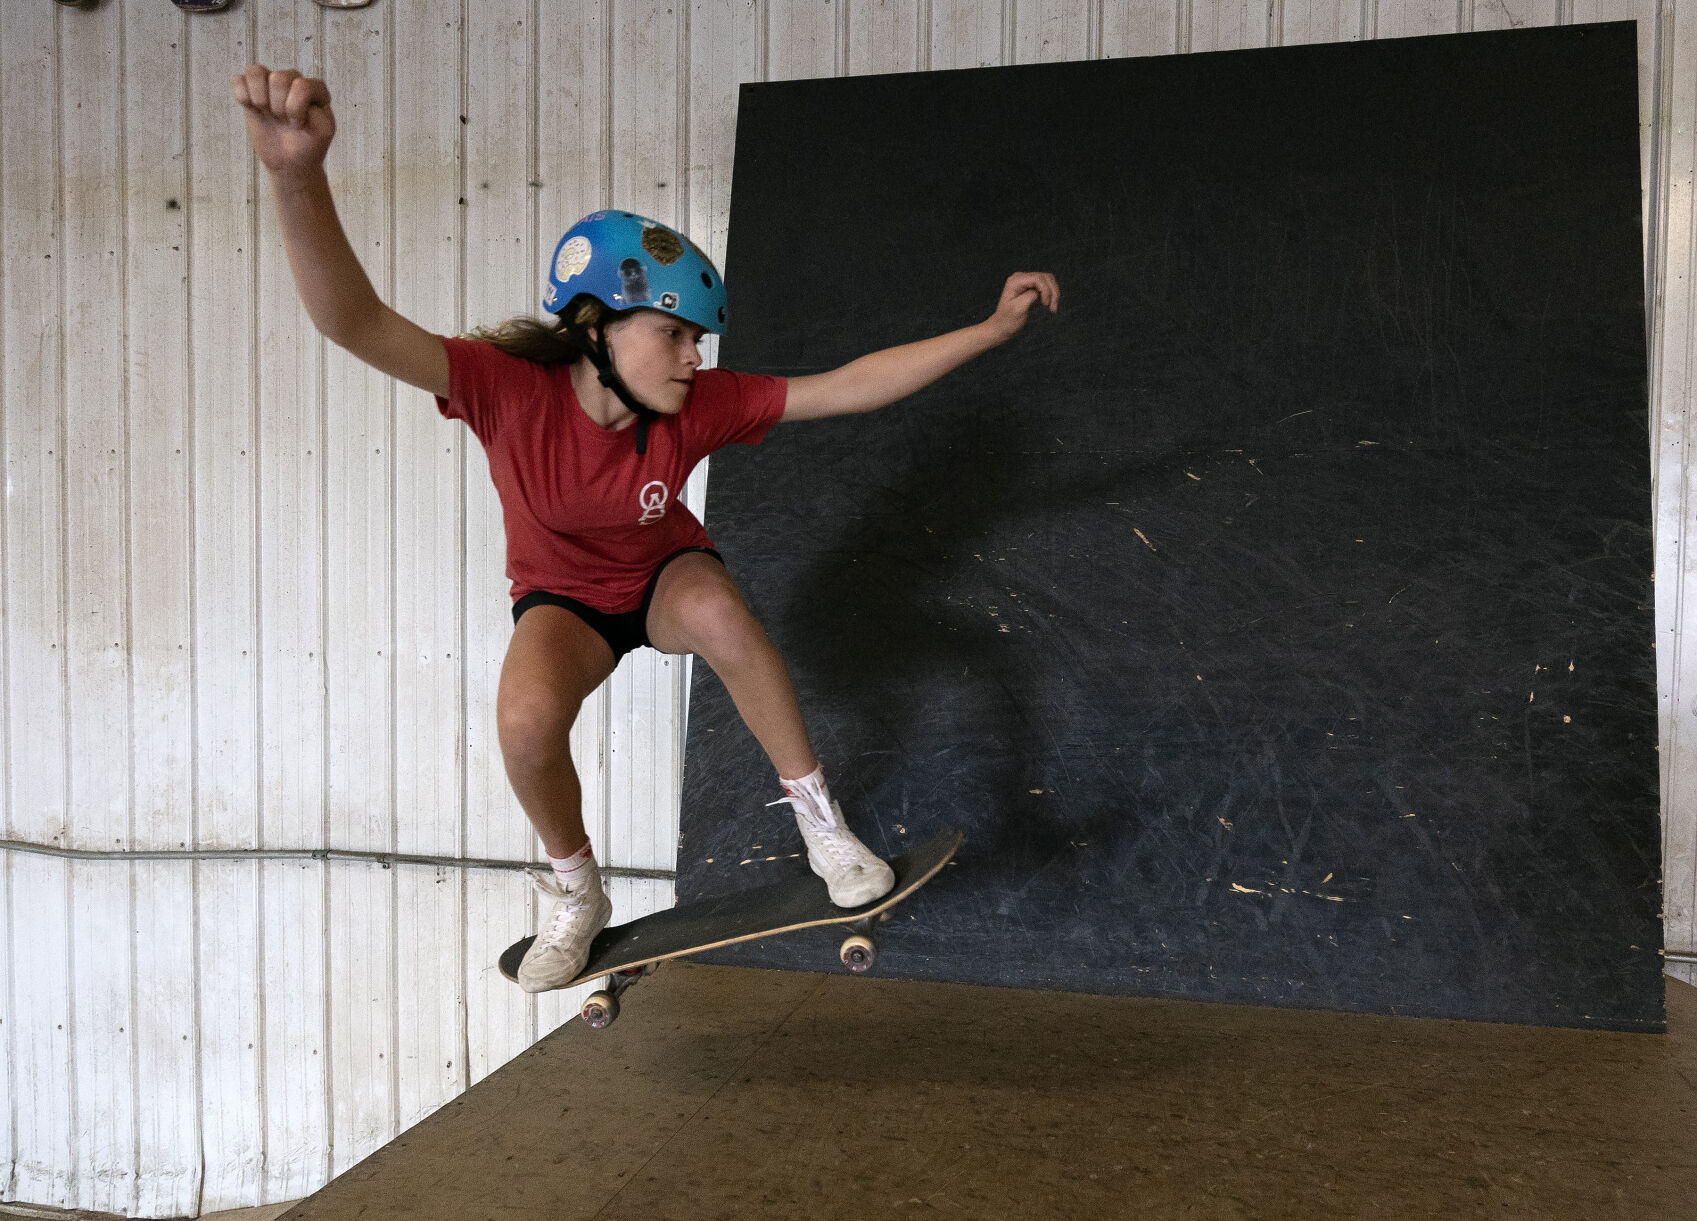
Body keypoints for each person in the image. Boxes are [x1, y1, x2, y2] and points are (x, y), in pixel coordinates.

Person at [232, 64, 1060, 992]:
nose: (692, 354)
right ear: (595, 329)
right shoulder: (502, 387)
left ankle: (823, 829)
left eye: (697, 339)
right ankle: (576, 891)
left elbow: (847, 384)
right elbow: (353, 321)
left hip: (662, 579)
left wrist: (985, 331)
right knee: (524, 721)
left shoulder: (695, 403)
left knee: (719, 615)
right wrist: (293, 173)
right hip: (564, 601)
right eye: (672, 333)